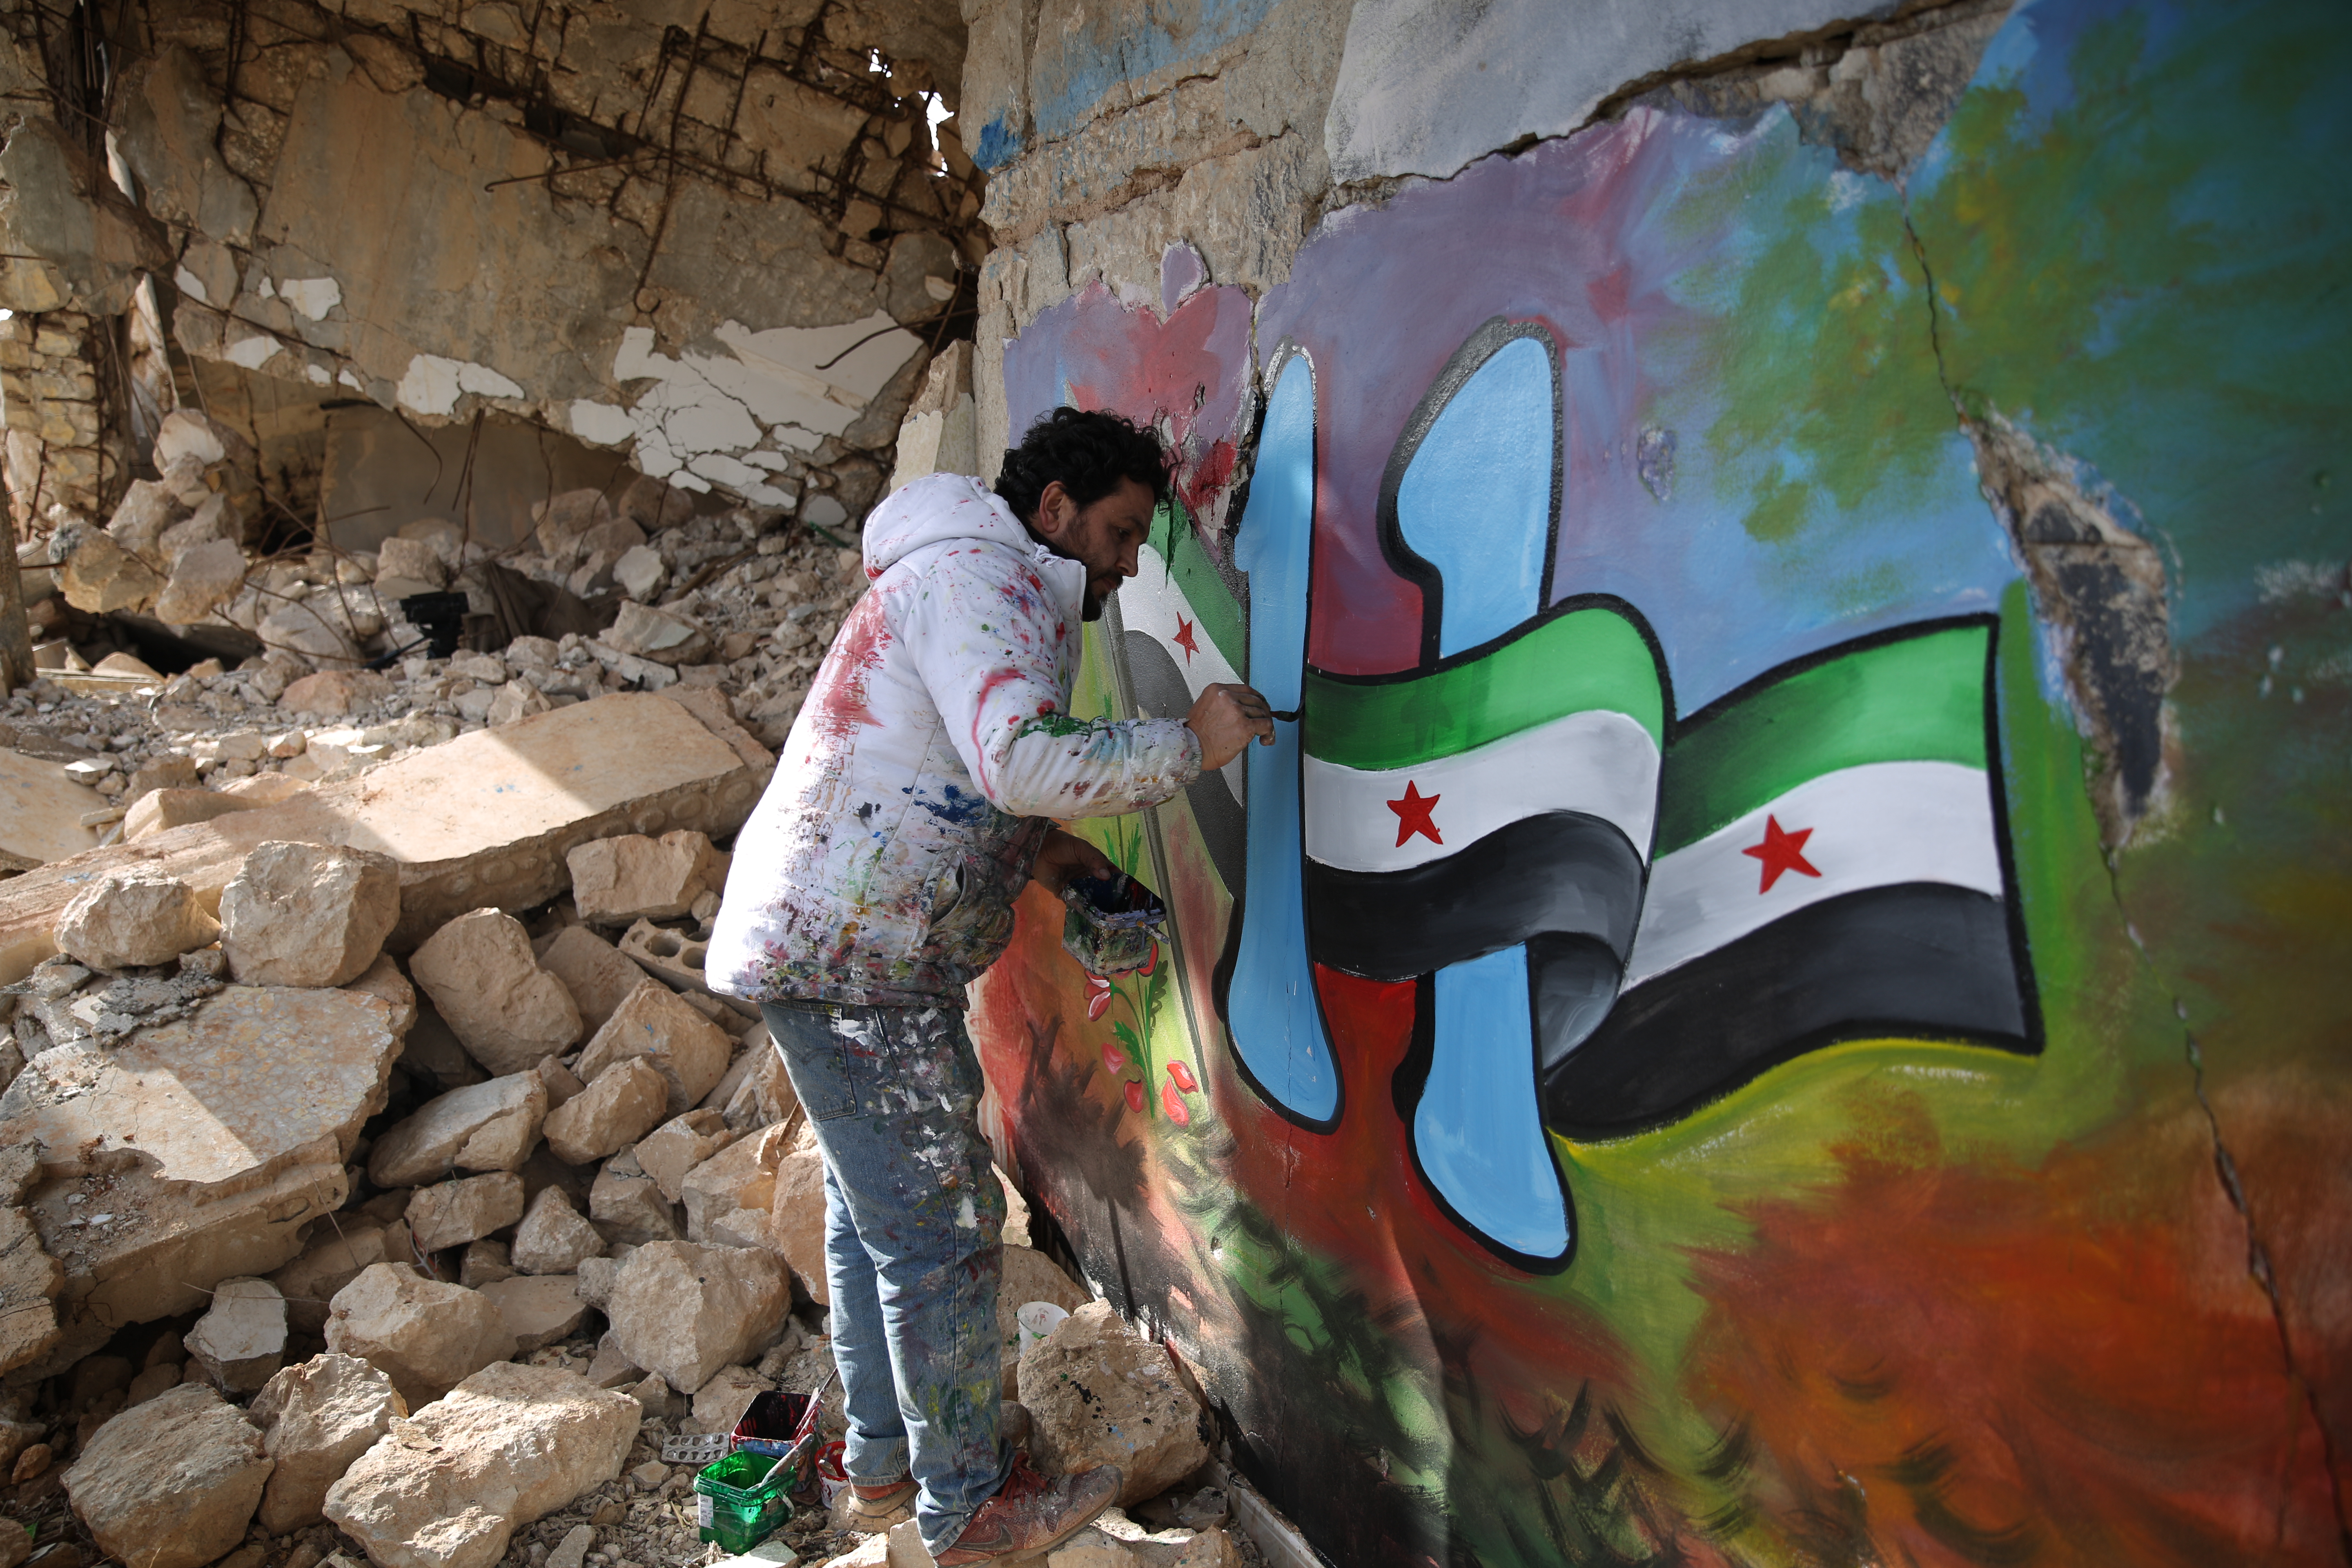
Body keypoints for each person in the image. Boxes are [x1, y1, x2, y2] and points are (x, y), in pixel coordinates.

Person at [708, 406, 1274, 1564]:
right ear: (1054, 509)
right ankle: (968, 1509)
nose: (1125, 563)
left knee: (886, 1225)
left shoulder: (965, 576)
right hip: (858, 956)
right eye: (1118, 533)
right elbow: (1014, 759)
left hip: (837, 942)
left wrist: (1058, 860)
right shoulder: (986, 577)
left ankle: (886, 1462)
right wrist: (1193, 742)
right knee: (942, 1228)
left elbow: (942, 773)